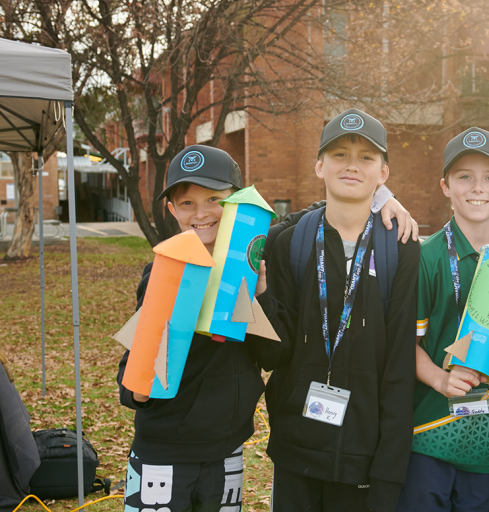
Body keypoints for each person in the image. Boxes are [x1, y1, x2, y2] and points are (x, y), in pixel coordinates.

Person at [117, 143, 416, 512]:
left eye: (215, 199)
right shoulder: (165, 271)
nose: (202, 214)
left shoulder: (257, 254)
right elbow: (135, 364)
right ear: (171, 209)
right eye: (186, 203)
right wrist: (134, 392)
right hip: (164, 449)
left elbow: (328, 210)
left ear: (237, 202)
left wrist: (383, 198)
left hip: (227, 450)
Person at [256, 109, 420, 512]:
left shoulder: (400, 247)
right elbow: (272, 354)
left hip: (365, 460)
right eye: (339, 155)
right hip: (296, 451)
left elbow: (399, 365)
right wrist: (260, 298)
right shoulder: (289, 243)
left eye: (366, 157)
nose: (351, 165)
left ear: (383, 173)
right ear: (319, 165)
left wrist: (388, 473)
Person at [396, 127, 489, 512]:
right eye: (465, 177)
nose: (478, 188)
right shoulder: (424, 257)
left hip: (487, 434)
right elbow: (403, 344)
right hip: (427, 431)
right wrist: (441, 378)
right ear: (446, 186)